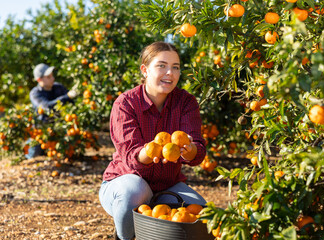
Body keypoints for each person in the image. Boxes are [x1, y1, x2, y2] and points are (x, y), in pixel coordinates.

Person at [99, 41, 207, 240]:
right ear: (145, 70)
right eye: (162, 66)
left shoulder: (186, 102)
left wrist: (188, 148)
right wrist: (152, 151)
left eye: (175, 67)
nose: (170, 73)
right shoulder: (126, 103)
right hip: (124, 185)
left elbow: (198, 152)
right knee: (135, 190)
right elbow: (131, 157)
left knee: (201, 215)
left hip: (167, 186)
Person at [25, 63, 78, 159]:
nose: (52, 78)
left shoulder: (58, 87)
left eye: (52, 76)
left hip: (58, 127)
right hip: (42, 130)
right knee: (33, 154)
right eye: (48, 77)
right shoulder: (35, 93)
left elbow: (72, 103)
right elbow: (46, 106)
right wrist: (66, 97)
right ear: (39, 80)